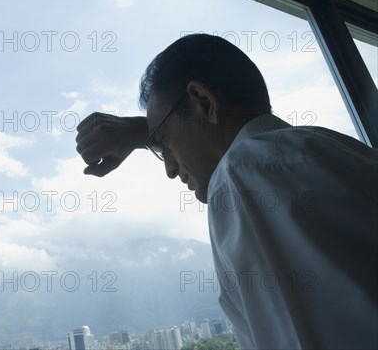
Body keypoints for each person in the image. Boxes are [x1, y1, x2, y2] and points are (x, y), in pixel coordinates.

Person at [75, 34, 377, 349]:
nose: (170, 169)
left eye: (163, 142)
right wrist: (149, 132)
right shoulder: (329, 150)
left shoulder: (245, 173)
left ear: (204, 102)